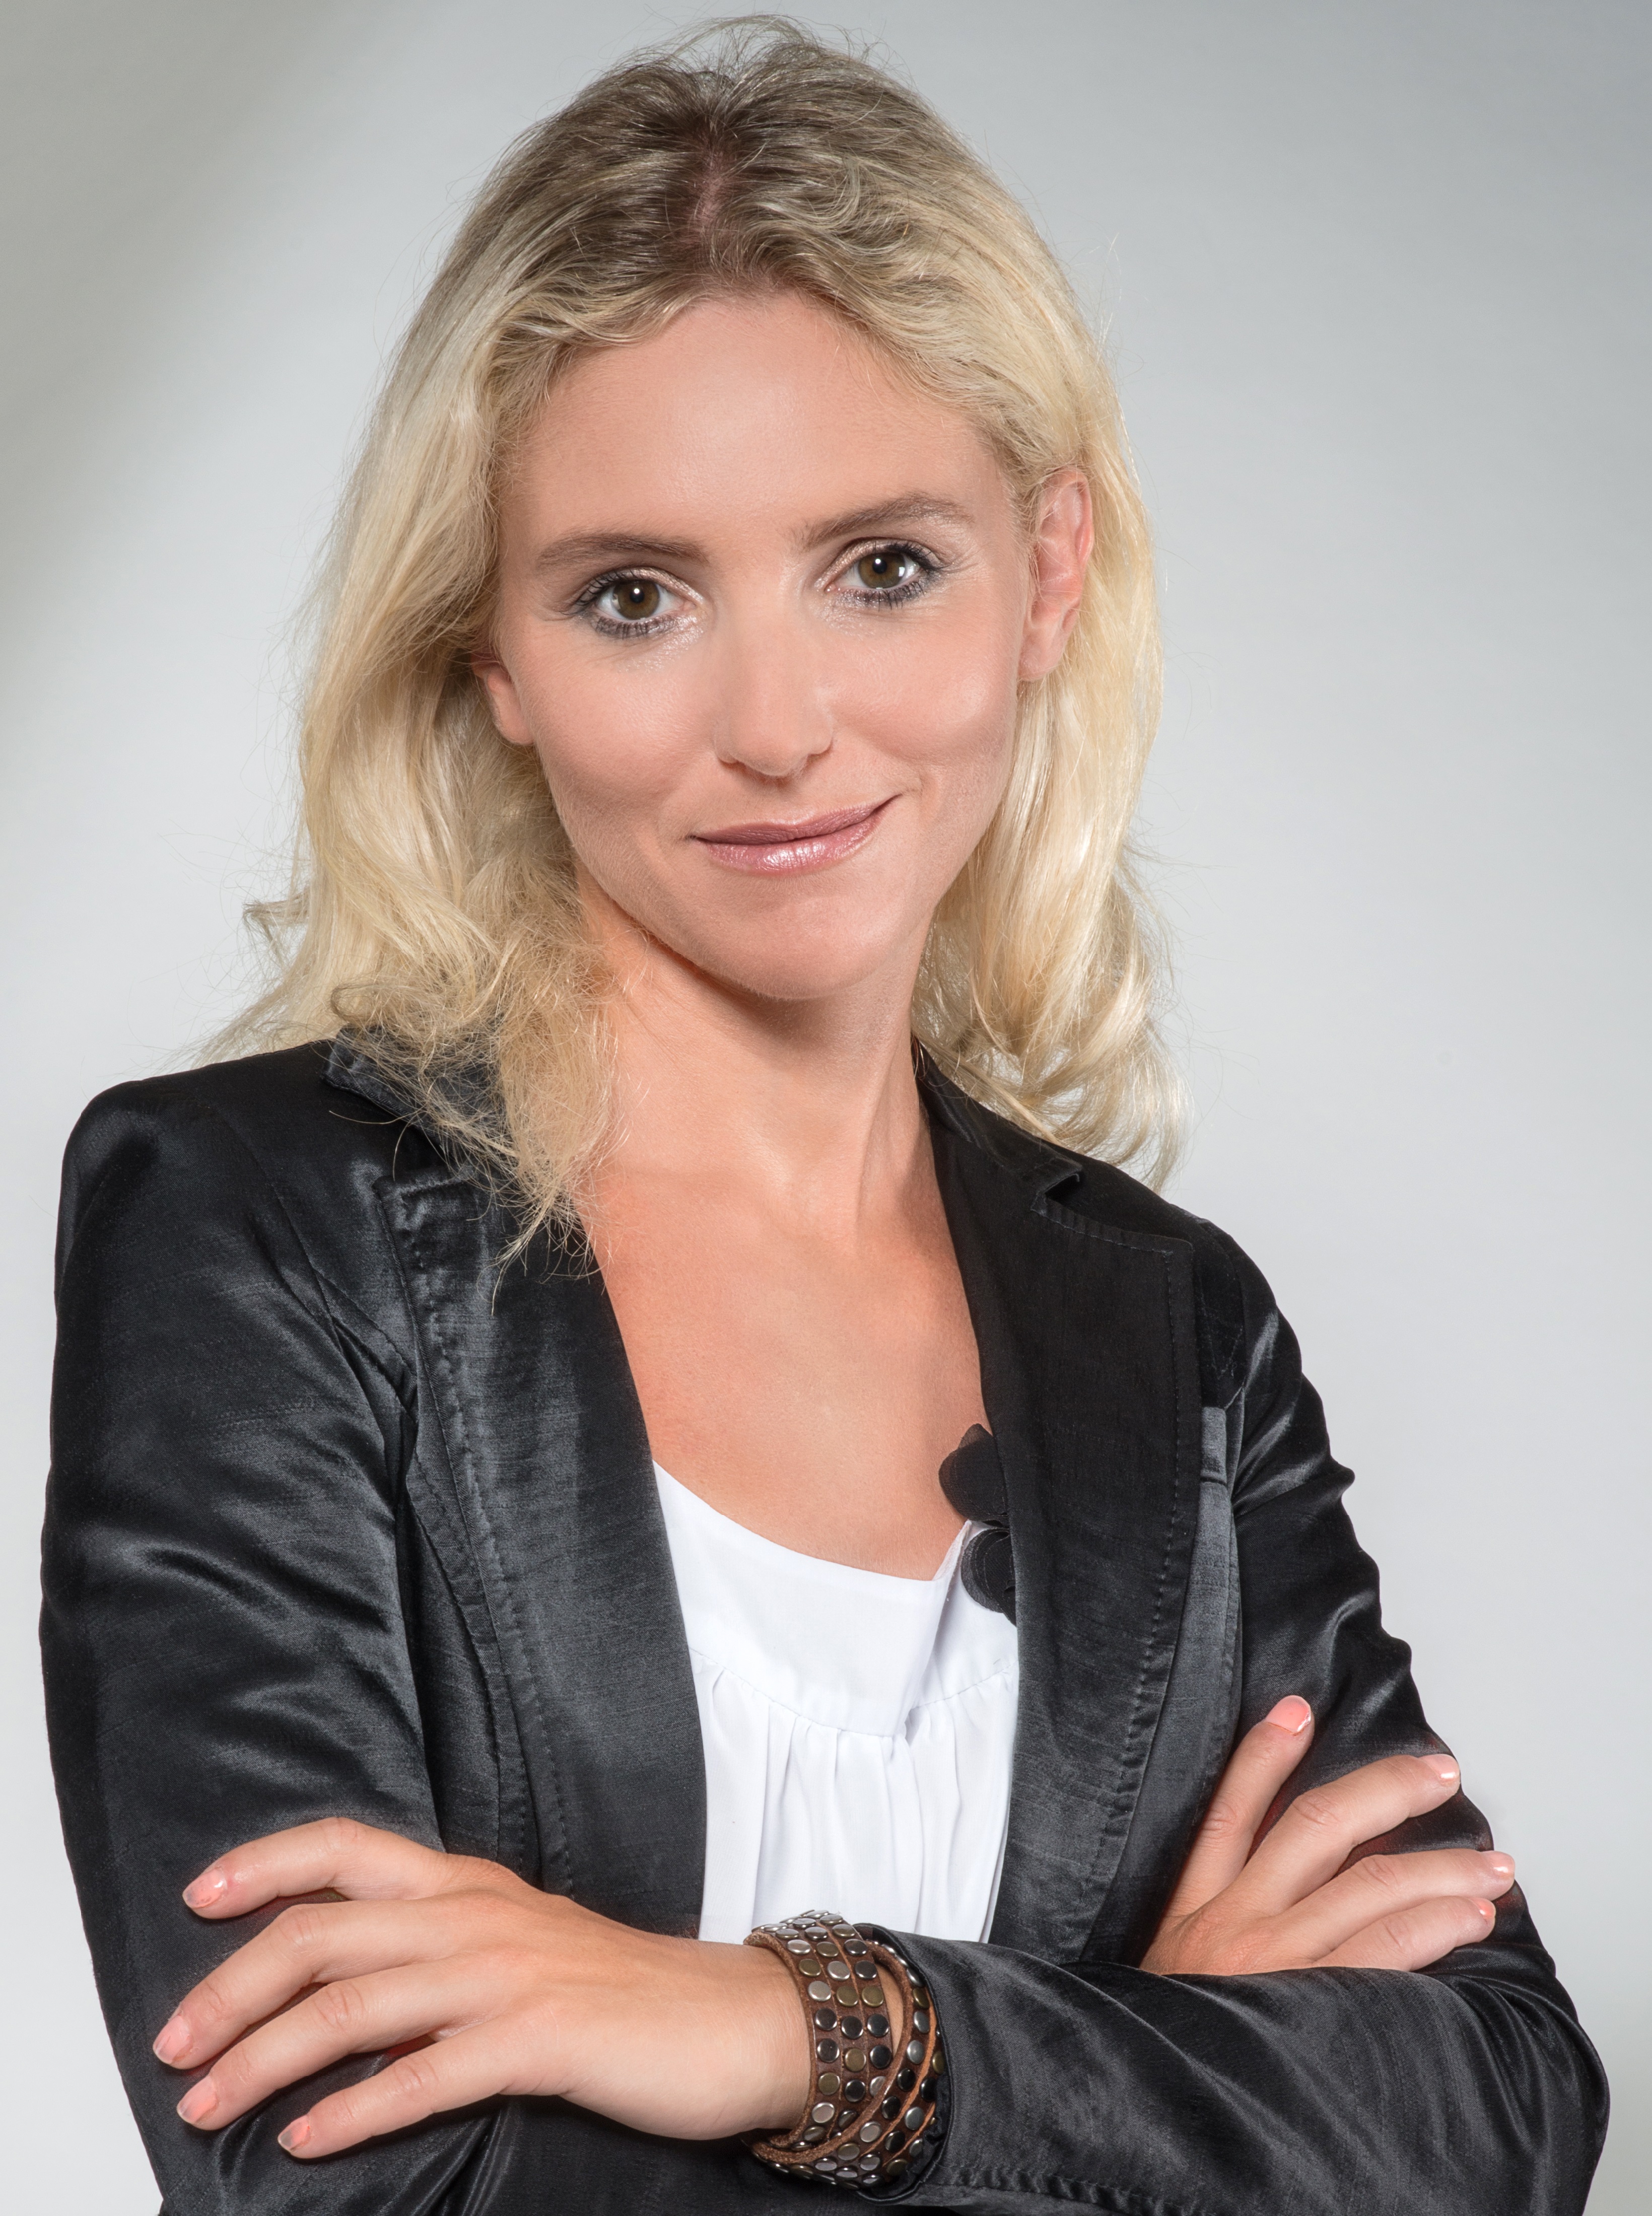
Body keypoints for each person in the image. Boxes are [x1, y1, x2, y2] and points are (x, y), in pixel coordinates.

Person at [40, 22, 1606, 2214]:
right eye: (633, 596)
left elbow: (1497, 2112)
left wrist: (786, 2024)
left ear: (1045, 571)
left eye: (881, 565)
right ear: (492, 657)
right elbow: (350, 2184)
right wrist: (1144, 2055)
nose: (778, 726)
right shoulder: (254, 1231)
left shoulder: (1174, 1334)